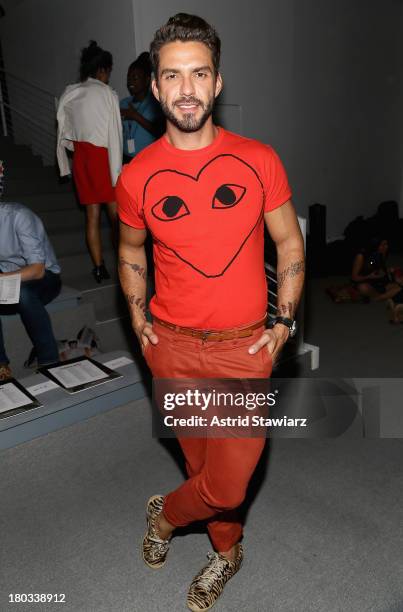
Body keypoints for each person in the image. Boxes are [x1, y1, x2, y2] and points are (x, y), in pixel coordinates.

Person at [117, 13, 305, 611]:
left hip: (243, 348)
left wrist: (284, 323)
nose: (187, 89)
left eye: (200, 74)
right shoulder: (137, 176)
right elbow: (129, 252)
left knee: (226, 483)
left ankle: (166, 518)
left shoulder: (258, 159)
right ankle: (227, 553)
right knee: (203, 469)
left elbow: (290, 244)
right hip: (170, 347)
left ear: (218, 83)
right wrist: (139, 317)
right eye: (173, 76)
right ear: (154, 86)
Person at [56, 40, 123, 283]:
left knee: (92, 216)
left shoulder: (70, 92)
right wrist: (117, 172)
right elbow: (115, 134)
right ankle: (123, 263)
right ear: (103, 70)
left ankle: (98, 267)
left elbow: (64, 131)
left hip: (81, 158)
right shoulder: (107, 94)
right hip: (102, 157)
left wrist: (67, 159)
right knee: (116, 218)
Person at [0, 201, 61, 380]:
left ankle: (49, 362)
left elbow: (37, 270)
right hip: (7, 280)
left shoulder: (18, 216)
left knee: (23, 293)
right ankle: (1, 366)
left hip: (44, 279)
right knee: (18, 290)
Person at [120, 52, 163, 163]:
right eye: (129, 77)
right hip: (126, 159)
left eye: (135, 78)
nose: (130, 82)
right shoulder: (123, 103)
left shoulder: (155, 103)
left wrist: (135, 116)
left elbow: (160, 132)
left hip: (148, 159)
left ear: (147, 80)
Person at [351, 237, 402, 302]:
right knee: (363, 288)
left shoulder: (382, 252)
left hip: (378, 281)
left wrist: (389, 270)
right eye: (383, 245)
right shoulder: (361, 256)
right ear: (375, 245)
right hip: (364, 280)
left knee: (400, 281)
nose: (386, 247)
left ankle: (379, 297)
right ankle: (384, 296)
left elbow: (379, 268)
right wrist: (369, 276)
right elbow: (354, 277)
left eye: (386, 244)